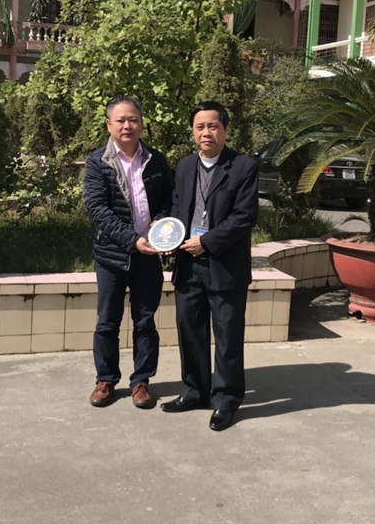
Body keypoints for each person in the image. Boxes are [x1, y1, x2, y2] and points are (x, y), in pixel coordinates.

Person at [160, 101, 259, 431]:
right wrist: (169, 235)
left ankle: (226, 400)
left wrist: (207, 242)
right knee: (190, 330)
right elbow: (178, 206)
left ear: (225, 130)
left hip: (225, 265)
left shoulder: (243, 167)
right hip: (188, 263)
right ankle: (194, 391)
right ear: (193, 131)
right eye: (200, 127)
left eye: (213, 126)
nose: (206, 133)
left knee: (228, 335)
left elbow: (244, 217)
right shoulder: (186, 166)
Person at [82, 95, 173, 409]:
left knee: (145, 322)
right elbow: (98, 209)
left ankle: (141, 381)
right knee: (107, 322)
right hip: (111, 257)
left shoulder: (156, 160)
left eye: (133, 119)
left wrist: (161, 224)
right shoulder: (98, 162)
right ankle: (106, 379)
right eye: (120, 120)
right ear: (108, 124)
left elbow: (168, 199)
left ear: (141, 124)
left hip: (148, 256)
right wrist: (132, 240)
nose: (127, 125)